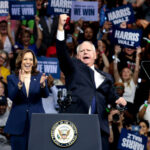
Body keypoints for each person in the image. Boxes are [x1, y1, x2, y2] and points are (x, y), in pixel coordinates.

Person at [56, 14, 127, 150]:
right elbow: (61, 51)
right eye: (81, 51)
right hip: (75, 125)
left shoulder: (107, 77)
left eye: (88, 50)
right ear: (77, 56)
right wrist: (60, 27)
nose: (85, 52)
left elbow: (112, 98)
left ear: (95, 55)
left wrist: (119, 101)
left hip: (100, 128)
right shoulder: (73, 68)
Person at [4, 49, 49, 150]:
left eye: (30, 59)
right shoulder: (12, 78)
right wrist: (19, 84)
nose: (28, 62)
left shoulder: (39, 76)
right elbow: (12, 96)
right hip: (18, 122)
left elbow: (45, 95)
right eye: (25, 59)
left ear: (33, 62)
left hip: (36, 121)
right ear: (20, 61)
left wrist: (42, 85)